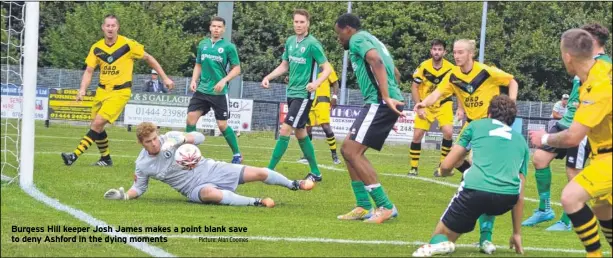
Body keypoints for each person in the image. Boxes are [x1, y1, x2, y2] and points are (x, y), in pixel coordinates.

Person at [414, 39, 519, 254]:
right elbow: (437, 93)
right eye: (454, 52)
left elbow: (512, 81)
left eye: (460, 52)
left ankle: (485, 238)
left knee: (482, 179)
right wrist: (424, 102)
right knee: (459, 163)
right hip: (471, 126)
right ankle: (468, 175)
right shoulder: (453, 75)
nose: (456, 56)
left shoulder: (486, 71)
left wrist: (511, 104)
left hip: (490, 127)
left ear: (471, 54)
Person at [529, 28, 612, 257]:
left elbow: (573, 136)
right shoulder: (599, 72)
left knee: (570, 196)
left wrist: (543, 138)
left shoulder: (598, 84)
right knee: (603, 209)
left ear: (567, 56)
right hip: (601, 156)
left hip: (609, 157)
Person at [412, 95, 527, 257]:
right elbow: (520, 194)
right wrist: (517, 233)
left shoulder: (476, 125)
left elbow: (446, 165)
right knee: (491, 191)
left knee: (440, 237)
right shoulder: (521, 141)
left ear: (488, 114)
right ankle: (486, 238)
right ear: (512, 120)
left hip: (476, 191)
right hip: (506, 199)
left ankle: (444, 245)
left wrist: (446, 172)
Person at [103, 122, 315, 207]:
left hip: (211, 168)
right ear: (141, 143)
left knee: (259, 172)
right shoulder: (142, 164)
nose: (154, 143)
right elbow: (139, 187)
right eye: (148, 142)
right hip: (192, 188)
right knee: (210, 194)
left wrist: (181, 140)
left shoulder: (171, 137)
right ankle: (256, 202)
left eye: (155, 138)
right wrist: (124, 196)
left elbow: (200, 137)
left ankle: (294, 184)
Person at [61, 14, 174, 167]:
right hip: (102, 91)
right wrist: (82, 89)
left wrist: (165, 78)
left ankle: (73, 156)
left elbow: (149, 58)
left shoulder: (128, 44)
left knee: (97, 123)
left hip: (120, 92)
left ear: (117, 27)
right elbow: (89, 71)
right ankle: (106, 159)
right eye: (107, 25)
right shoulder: (97, 47)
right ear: (103, 27)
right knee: (97, 126)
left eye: (113, 26)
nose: (110, 28)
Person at [333, 13, 405, 224]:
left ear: (347, 29)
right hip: (380, 101)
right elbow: (395, 71)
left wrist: (385, 96)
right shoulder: (372, 39)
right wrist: (392, 91)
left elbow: (376, 61)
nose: (339, 39)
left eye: (339, 34)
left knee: (350, 151)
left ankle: (385, 206)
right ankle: (363, 206)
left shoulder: (357, 39)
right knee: (347, 150)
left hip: (379, 102)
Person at [261, 9, 333, 182]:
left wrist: (316, 83)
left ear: (308, 23)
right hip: (291, 92)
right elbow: (285, 65)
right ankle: (316, 172)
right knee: (300, 132)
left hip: (304, 95)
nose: (298, 25)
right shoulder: (290, 41)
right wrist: (268, 77)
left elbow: (327, 69)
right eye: (296, 22)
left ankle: (268, 170)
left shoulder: (313, 44)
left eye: (302, 22)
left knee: (285, 129)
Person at [187, 16, 243, 164]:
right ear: (210, 28)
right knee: (190, 119)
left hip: (219, 92)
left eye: (219, 27)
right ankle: (188, 153)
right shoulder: (203, 44)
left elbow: (236, 69)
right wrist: (194, 80)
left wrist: (224, 80)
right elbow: (198, 64)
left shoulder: (228, 47)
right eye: (214, 26)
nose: (216, 29)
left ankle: (237, 154)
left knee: (222, 125)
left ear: (223, 29)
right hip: (202, 89)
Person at [408, 39, 455, 176]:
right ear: (431, 51)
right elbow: (414, 87)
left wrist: (461, 108)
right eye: (434, 49)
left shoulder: (451, 68)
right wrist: (419, 106)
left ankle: (442, 166)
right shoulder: (423, 66)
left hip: (444, 103)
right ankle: (413, 167)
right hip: (426, 104)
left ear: (444, 52)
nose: (437, 52)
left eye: (440, 49)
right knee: (417, 135)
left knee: (448, 132)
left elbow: (458, 88)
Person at [297, 64, 342, 165]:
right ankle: (306, 156)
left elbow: (335, 83)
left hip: (323, 100)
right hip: (309, 101)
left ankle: (334, 155)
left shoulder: (326, 66)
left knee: (326, 127)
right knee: (307, 128)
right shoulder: (308, 66)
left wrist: (334, 97)